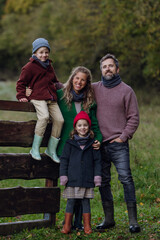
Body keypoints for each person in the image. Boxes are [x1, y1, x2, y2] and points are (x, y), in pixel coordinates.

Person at [26, 65, 103, 229]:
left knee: (82, 187)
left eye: (83, 80)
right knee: (71, 187)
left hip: (84, 150)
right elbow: (42, 95)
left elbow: (94, 125)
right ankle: (64, 222)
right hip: (65, 149)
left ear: (87, 83)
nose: (79, 82)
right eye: (77, 78)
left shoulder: (90, 102)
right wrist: (26, 93)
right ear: (72, 78)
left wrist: (98, 139)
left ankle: (78, 223)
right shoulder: (59, 95)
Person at [92, 53, 141, 233]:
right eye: (104, 67)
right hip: (99, 145)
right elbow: (73, 86)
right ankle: (109, 219)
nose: (108, 69)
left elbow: (133, 118)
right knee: (103, 182)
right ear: (101, 70)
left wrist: (123, 137)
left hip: (118, 144)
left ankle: (133, 221)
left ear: (117, 69)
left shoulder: (126, 90)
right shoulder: (94, 88)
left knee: (126, 179)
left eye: (111, 66)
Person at [16, 38, 64, 163]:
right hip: (37, 97)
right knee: (44, 117)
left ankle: (51, 150)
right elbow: (21, 83)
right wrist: (22, 95)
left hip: (51, 98)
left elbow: (55, 81)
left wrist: (65, 87)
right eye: (41, 52)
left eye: (46, 52)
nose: (44, 55)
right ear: (35, 53)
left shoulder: (49, 66)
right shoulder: (29, 67)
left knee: (60, 120)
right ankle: (35, 148)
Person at [60, 111, 102, 234]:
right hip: (72, 178)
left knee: (85, 202)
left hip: (87, 179)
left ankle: (87, 226)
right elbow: (64, 160)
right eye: (79, 125)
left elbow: (97, 161)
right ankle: (67, 225)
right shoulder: (69, 143)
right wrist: (63, 175)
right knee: (71, 201)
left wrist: (97, 176)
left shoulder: (93, 144)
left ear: (89, 127)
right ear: (75, 127)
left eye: (85, 125)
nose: (82, 128)